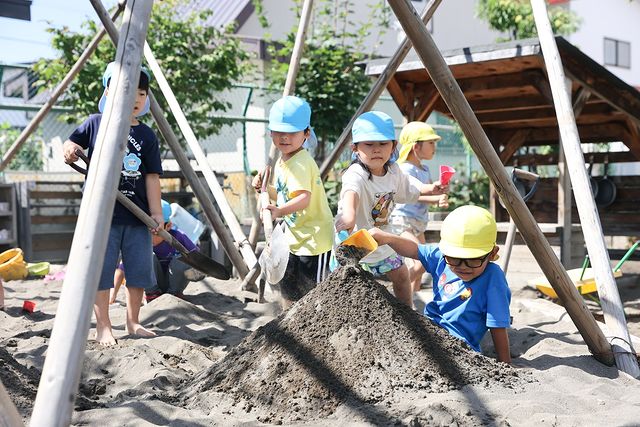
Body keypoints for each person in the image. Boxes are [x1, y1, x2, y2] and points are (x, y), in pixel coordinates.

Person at [63, 62, 163, 345]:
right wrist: (70, 150)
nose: (135, 98)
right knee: (102, 270)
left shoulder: (147, 135)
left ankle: (133, 322)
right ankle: (103, 325)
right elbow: (71, 145)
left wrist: (155, 212)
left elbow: (152, 177)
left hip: (137, 217)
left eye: (141, 93)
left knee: (139, 270)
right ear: (108, 91)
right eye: (128, 91)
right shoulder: (96, 123)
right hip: (101, 216)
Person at [368, 205, 512, 363]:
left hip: (460, 347)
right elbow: (414, 250)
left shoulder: (493, 278)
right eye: (454, 259)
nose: (463, 266)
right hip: (428, 330)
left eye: (473, 260)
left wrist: (505, 362)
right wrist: (387, 238)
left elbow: (497, 324)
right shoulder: (441, 257)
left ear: (492, 254)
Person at [334, 111, 448, 307]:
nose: (376, 150)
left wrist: (431, 188)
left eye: (383, 144)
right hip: (353, 240)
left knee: (402, 276)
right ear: (355, 148)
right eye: (369, 144)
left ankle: (408, 315)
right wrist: (350, 215)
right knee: (350, 286)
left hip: (380, 239)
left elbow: (411, 188)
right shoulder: (356, 173)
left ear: (393, 146)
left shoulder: (395, 172)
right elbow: (350, 192)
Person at [252, 96, 333, 309]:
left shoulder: (302, 163)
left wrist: (278, 211)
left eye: (292, 132)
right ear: (271, 133)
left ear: (306, 133)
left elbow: (303, 199)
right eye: (278, 132)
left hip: (314, 240)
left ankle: (315, 325)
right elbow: (285, 194)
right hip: (295, 236)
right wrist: (264, 189)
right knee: (289, 285)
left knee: (314, 290)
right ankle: (289, 319)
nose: (284, 137)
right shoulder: (283, 160)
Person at [389, 121, 449, 294]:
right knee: (423, 262)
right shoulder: (405, 169)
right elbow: (411, 196)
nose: (434, 147)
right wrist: (436, 198)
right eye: (430, 143)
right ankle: (394, 293)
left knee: (422, 265)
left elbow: (428, 194)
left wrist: (441, 192)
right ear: (416, 147)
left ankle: (412, 305)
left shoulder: (424, 168)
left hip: (418, 223)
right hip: (403, 221)